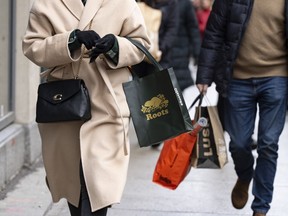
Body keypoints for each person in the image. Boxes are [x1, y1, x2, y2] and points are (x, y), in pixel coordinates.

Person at [22, 0, 150, 215]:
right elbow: (33, 47)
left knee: (100, 183)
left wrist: (115, 45)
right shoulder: (46, 3)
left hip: (108, 101)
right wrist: (71, 40)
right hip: (63, 102)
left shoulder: (123, 2)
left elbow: (141, 45)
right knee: (72, 179)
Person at [196, 1, 288, 216]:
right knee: (238, 144)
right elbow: (214, 33)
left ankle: (261, 207)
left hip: (277, 77)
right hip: (237, 79)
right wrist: (204, 76)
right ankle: (245, 175)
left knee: (268, 144)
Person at [170, 0, 201, 92]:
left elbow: (193, 30)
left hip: (180, 53)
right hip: (168, 53)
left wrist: (197, 53)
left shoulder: (184, 3)